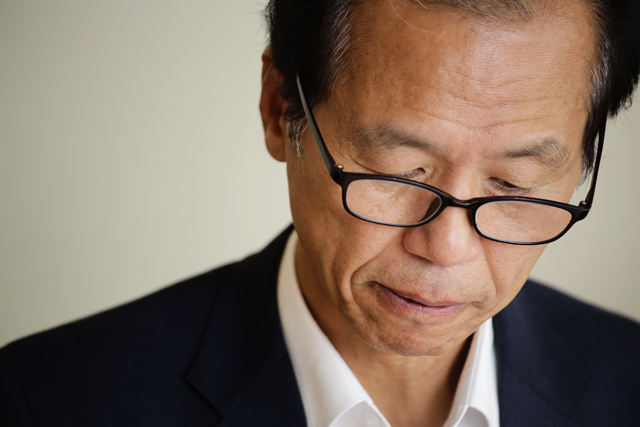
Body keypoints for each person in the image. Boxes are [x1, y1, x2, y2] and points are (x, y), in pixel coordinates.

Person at [1, 0, 639, 426]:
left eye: (514, 182)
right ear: (279, 107)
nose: (447, 248)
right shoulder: (52, 400)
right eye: (399, 170)